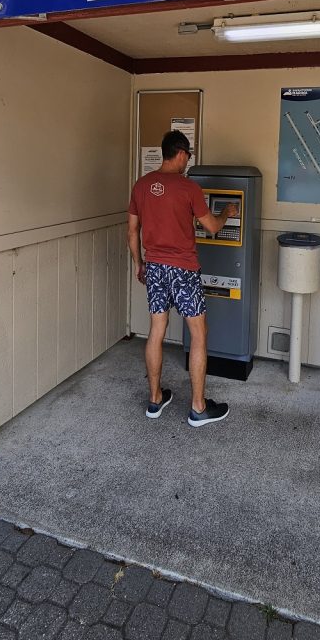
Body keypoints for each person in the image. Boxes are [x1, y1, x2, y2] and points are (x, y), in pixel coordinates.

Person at [127, 130, 238, 427]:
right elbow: (213, 226)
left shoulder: (141, 186)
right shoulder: (188, 188)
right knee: (199, 334)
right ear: (180, 153)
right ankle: (199, 408)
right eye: (188, 155)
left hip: (155, 267)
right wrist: (226, 212)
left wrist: (140, 265)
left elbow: (132, 232)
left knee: (156, 330)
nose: (188, 160)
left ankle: (155, 400)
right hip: (183, 269)